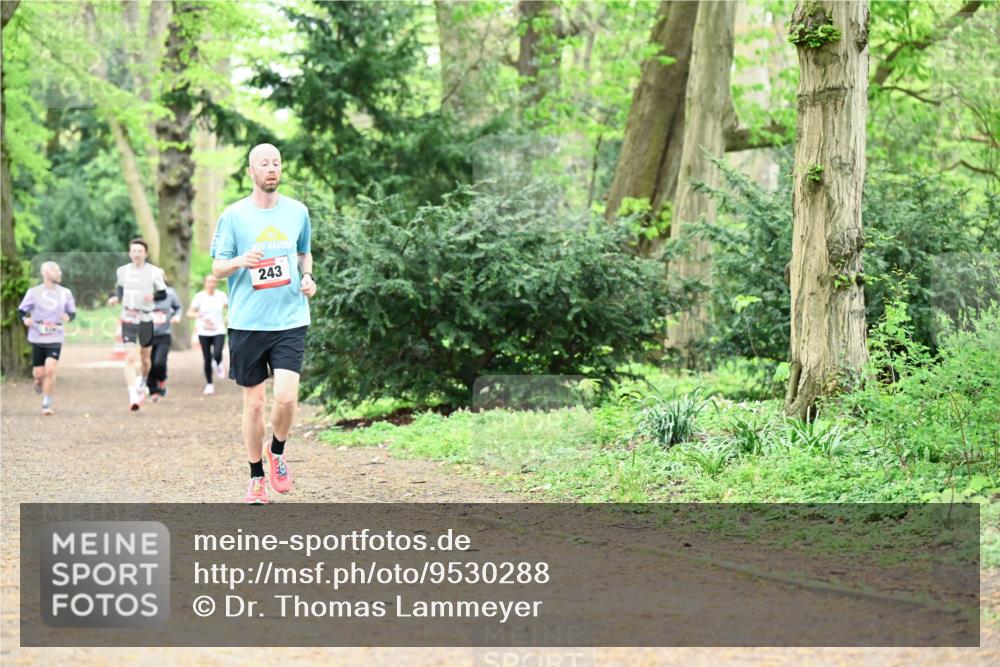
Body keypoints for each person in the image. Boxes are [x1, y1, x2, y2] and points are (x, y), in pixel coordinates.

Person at [210, 142, 316, 504]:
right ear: (250, 172)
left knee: (285, 398)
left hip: (290, 318)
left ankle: (278, 451)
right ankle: (256, 478)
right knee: (254, 404)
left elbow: (304, 252)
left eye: (276, 163)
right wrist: (241, 260)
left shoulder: (298, 212)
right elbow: (217, 267)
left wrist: (308, 277)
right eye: (263, 164)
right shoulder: (234, 216)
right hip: (247, 322)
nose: (271, 168)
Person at [108, 238, 167, 411]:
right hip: (128, 316)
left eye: (140, 251)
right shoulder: (122, 271)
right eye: (133, 251)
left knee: (145, 359)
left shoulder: (154, 272)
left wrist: (153, 297)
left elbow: (163, 294)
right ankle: (133, 394)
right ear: (129, 253)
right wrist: (115, 298)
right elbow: (120, 289)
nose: (136, 254)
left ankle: (143, 380)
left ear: (145, 254)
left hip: (146, 318)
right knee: (130, 358)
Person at [18, 261, 77, 415]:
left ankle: (46, 404)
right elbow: (22, 311)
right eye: (56, 271)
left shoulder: (65, 292)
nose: (60, 273)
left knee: (50, 370)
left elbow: (72, 313)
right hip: (37, 336)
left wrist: (68, 317)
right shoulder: (33, 292)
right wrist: (26, 320)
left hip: (55, 336)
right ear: (46, 274)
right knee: (39, 373)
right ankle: (38, 381)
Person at [187, 274, 229, 396]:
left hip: (218, 330)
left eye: (214, 282)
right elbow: (189, 312)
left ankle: (219, 363)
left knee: (217, 353)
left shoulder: (221, 296)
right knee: (207, 358)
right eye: (210, 282)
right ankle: (209, 384)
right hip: (204, 331)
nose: (212, 284)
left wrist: (227, 317)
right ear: (205, 283)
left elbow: (230, 308)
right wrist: (197, 315)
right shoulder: (199, 297)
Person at [148, 285, 182, 401]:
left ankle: (162, 379)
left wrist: (177, 317)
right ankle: (153, 390)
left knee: (159, 362)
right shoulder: (144, 292)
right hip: (147, 334)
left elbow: (178, 307)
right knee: (149, 363)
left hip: (164, 334)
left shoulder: (170, 293)